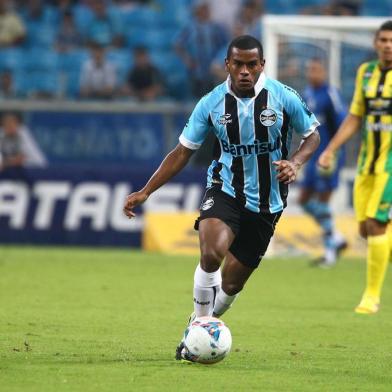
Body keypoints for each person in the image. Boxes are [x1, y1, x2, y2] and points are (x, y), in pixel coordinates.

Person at [123, 35, 320, 361]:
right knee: (212, 252)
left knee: (231, 284)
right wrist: (146, 191)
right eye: (238, 64)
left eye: (251, 64)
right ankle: (199, 327)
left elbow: (313, 135)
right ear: (227, 65)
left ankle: (201, 321)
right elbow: (181, 153)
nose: (245, 71)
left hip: (268, 203)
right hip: (225, 188)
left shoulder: (284, 97)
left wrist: (295, 161)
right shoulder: (211, 103)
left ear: (262, 66)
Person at [318, 21, 392, 314]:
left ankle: (371, 297)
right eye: (383, 40)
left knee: (376, 225)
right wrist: (330, 149)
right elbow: (354, 117)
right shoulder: (366, 73)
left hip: (390, 165)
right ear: (375, 43)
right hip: (366, 163)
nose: (388, 45)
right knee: (366, 229)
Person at [299, 58, 348, 267]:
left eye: (317, 69)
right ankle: (336, 238)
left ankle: (329, 253)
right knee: (303, 200)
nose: (313, 73)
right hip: (312, 156)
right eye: (310, 69)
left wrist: (332, 153)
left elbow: (344, 124)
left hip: (329, 156)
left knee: (322, 202)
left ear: (325, 72)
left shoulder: (331, 94)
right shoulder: (307, 94)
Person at [174, 0, 229, 98]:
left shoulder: (216, 28)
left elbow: (225, 46)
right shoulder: (190, 27)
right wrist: (187, 60)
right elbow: (178, 45)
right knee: (197, 98)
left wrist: (219, 62)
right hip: (196, 71)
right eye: (203, 8)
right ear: (197, 10)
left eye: (206, 8)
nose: (205, 11)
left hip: (213, 71)